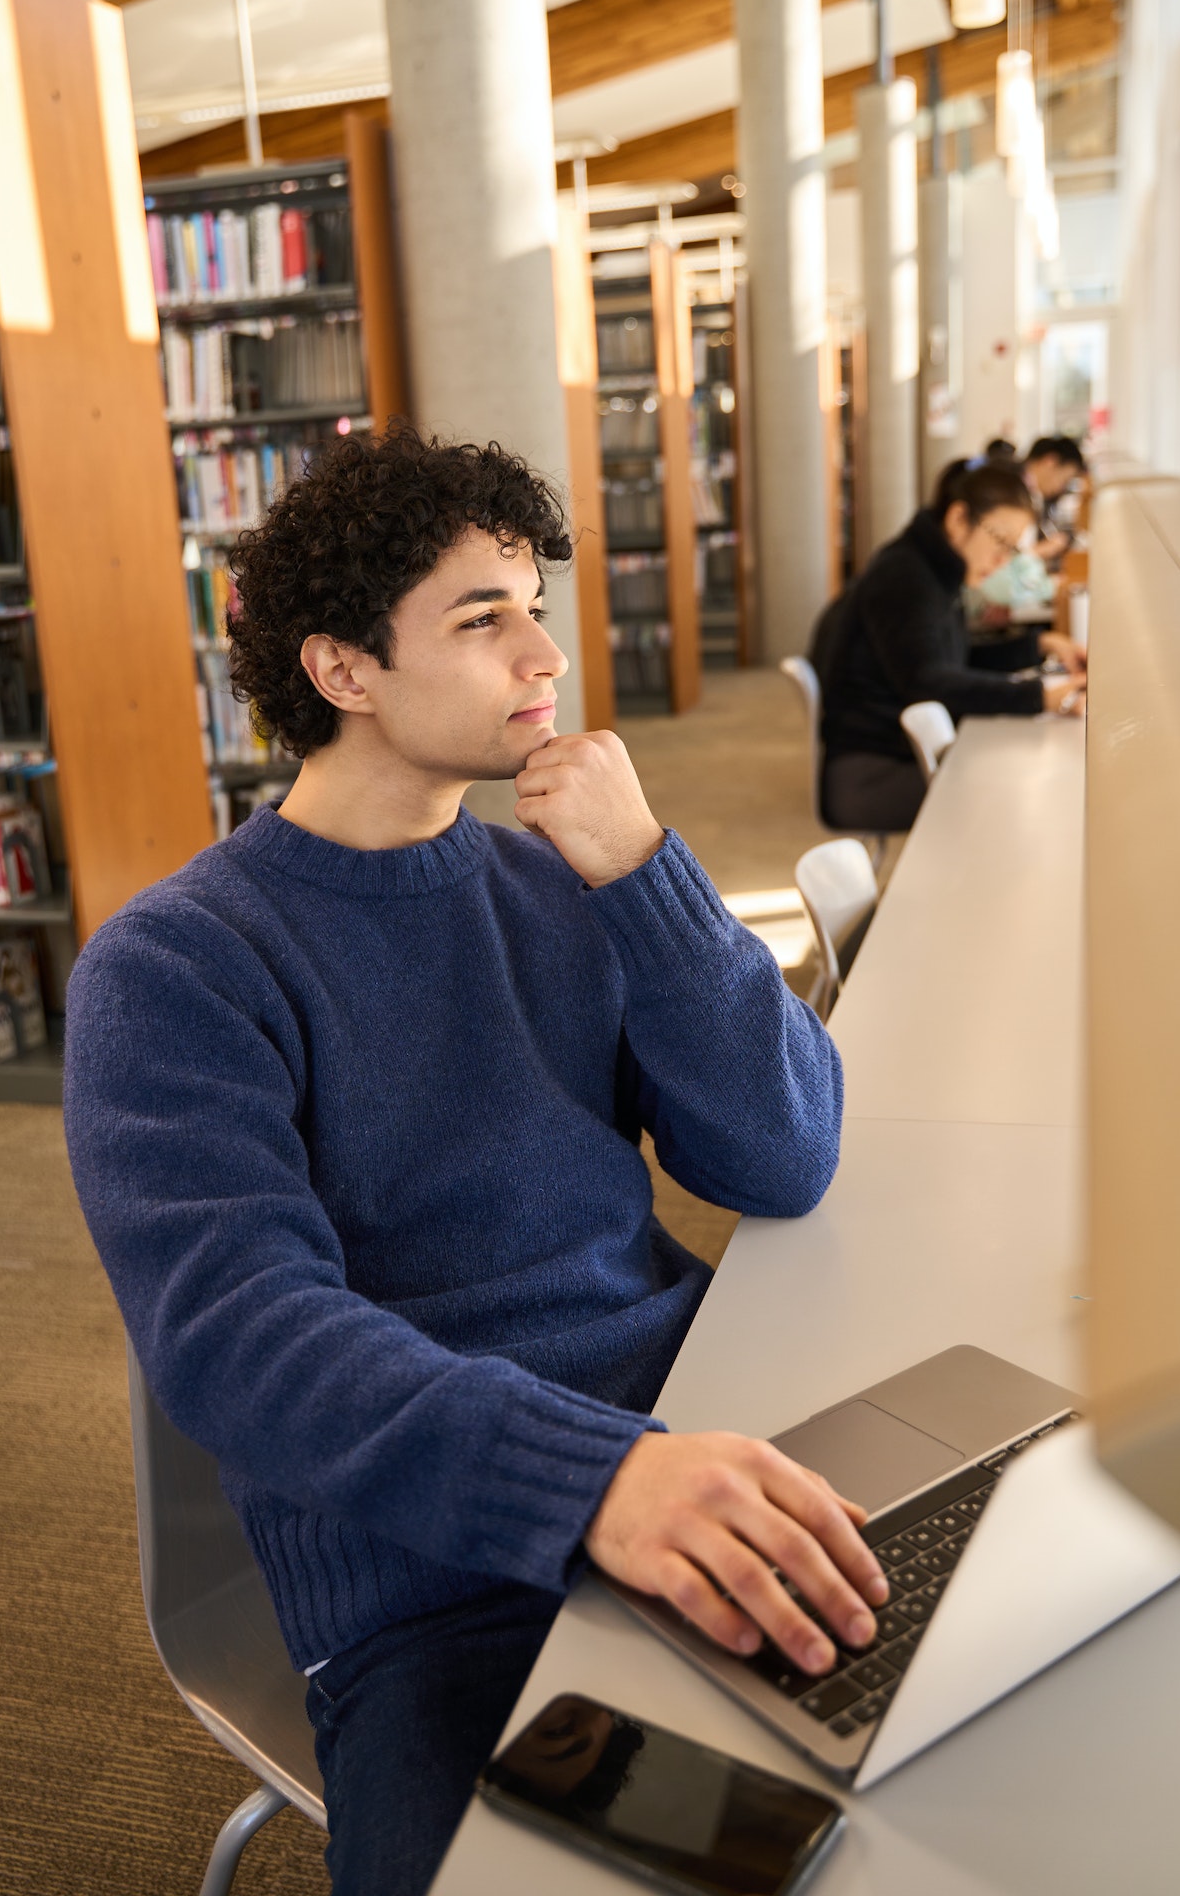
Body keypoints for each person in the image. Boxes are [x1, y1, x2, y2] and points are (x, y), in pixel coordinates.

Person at [63, 425, 886, 1896]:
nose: (544, 653)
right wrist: (596, 1484)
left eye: (535, 606)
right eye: (481, 617)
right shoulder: (178, 969)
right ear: (342, 671)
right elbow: (242, 1342)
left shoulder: (557, 883)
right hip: (435, 1579)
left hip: (707, 1443)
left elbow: (787, 1151)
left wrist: (647, 878)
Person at [811, 460, 1086, 834]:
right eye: (1001, 542)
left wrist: (1040, 645)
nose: (1002, 560)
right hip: (869, 772)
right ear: (959, 519)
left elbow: (957, 660)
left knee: (1016, 779)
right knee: (1012, 795)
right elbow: (930, 682)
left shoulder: (932, 568)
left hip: (897, 753)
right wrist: (1040, 697)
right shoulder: (905, 577)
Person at [1021, 434, 1089, 563]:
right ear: (1050, 461)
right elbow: (1005, 561)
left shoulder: (1035, 494)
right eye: (1064, 480)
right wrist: (1043, 550)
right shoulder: (1014, 494)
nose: (1061, 488)